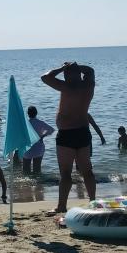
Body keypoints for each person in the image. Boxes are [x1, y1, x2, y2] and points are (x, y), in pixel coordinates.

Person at [41, 61, 96, 215]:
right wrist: (75, 68)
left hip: (67, 134)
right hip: (83, 132)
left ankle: (61, 206)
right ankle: (93, 202)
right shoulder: (88, 85)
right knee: (87, 171)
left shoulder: (66, 86)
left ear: (67, 74)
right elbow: (90, 70)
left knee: (65, 173)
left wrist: (62, 68)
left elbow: (45, 77)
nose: (64, 76)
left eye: (66, 73)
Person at [22, 106, 55, 174]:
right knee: (37, 170)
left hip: (27, 148)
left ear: (28, 113)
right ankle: (38, 180)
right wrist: (42, 136)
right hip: (38, 147)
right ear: (36, 113)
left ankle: (27, 181)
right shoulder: (40, 123)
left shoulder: (25, 124)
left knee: (26, 170)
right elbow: (51, 130)